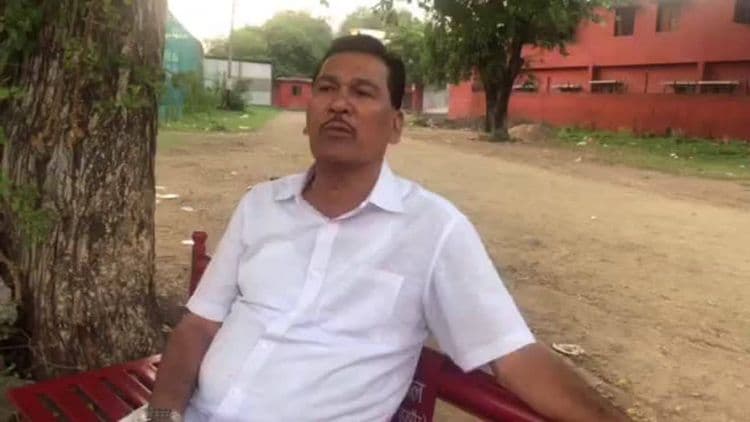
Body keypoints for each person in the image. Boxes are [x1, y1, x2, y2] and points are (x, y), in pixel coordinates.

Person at [146, 35, 629, 422]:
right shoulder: (260, 206)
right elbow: (198, 325)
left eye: (362, 93)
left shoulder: (433, 230)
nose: (339, 104)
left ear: (395, 126)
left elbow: (513, 355)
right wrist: (163, 415)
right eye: (327, 89)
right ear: (307, 115)